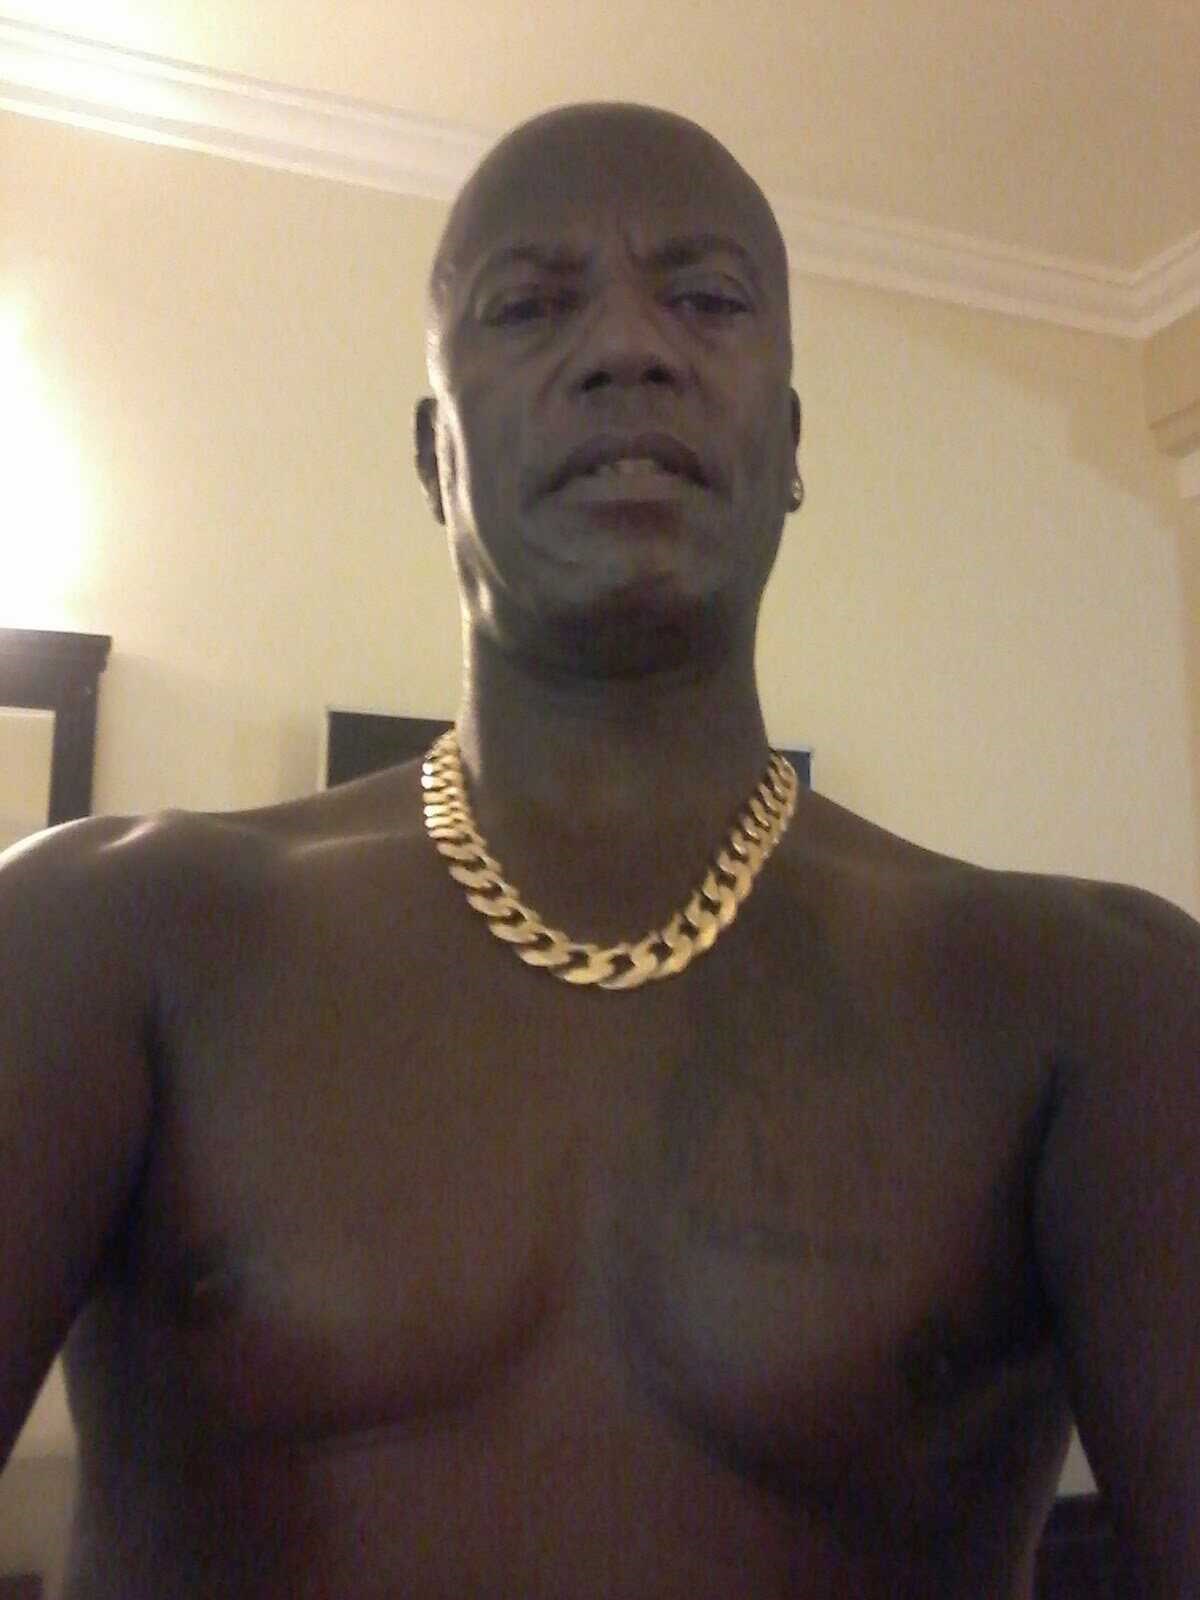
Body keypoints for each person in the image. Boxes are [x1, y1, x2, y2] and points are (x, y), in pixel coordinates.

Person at [1, 101, 1196, 1600]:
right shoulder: (101, 939)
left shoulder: (1093, 1001)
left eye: (706, 299)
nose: (630, 346)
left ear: (792, 446)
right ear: (435, 457)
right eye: (529, 305)